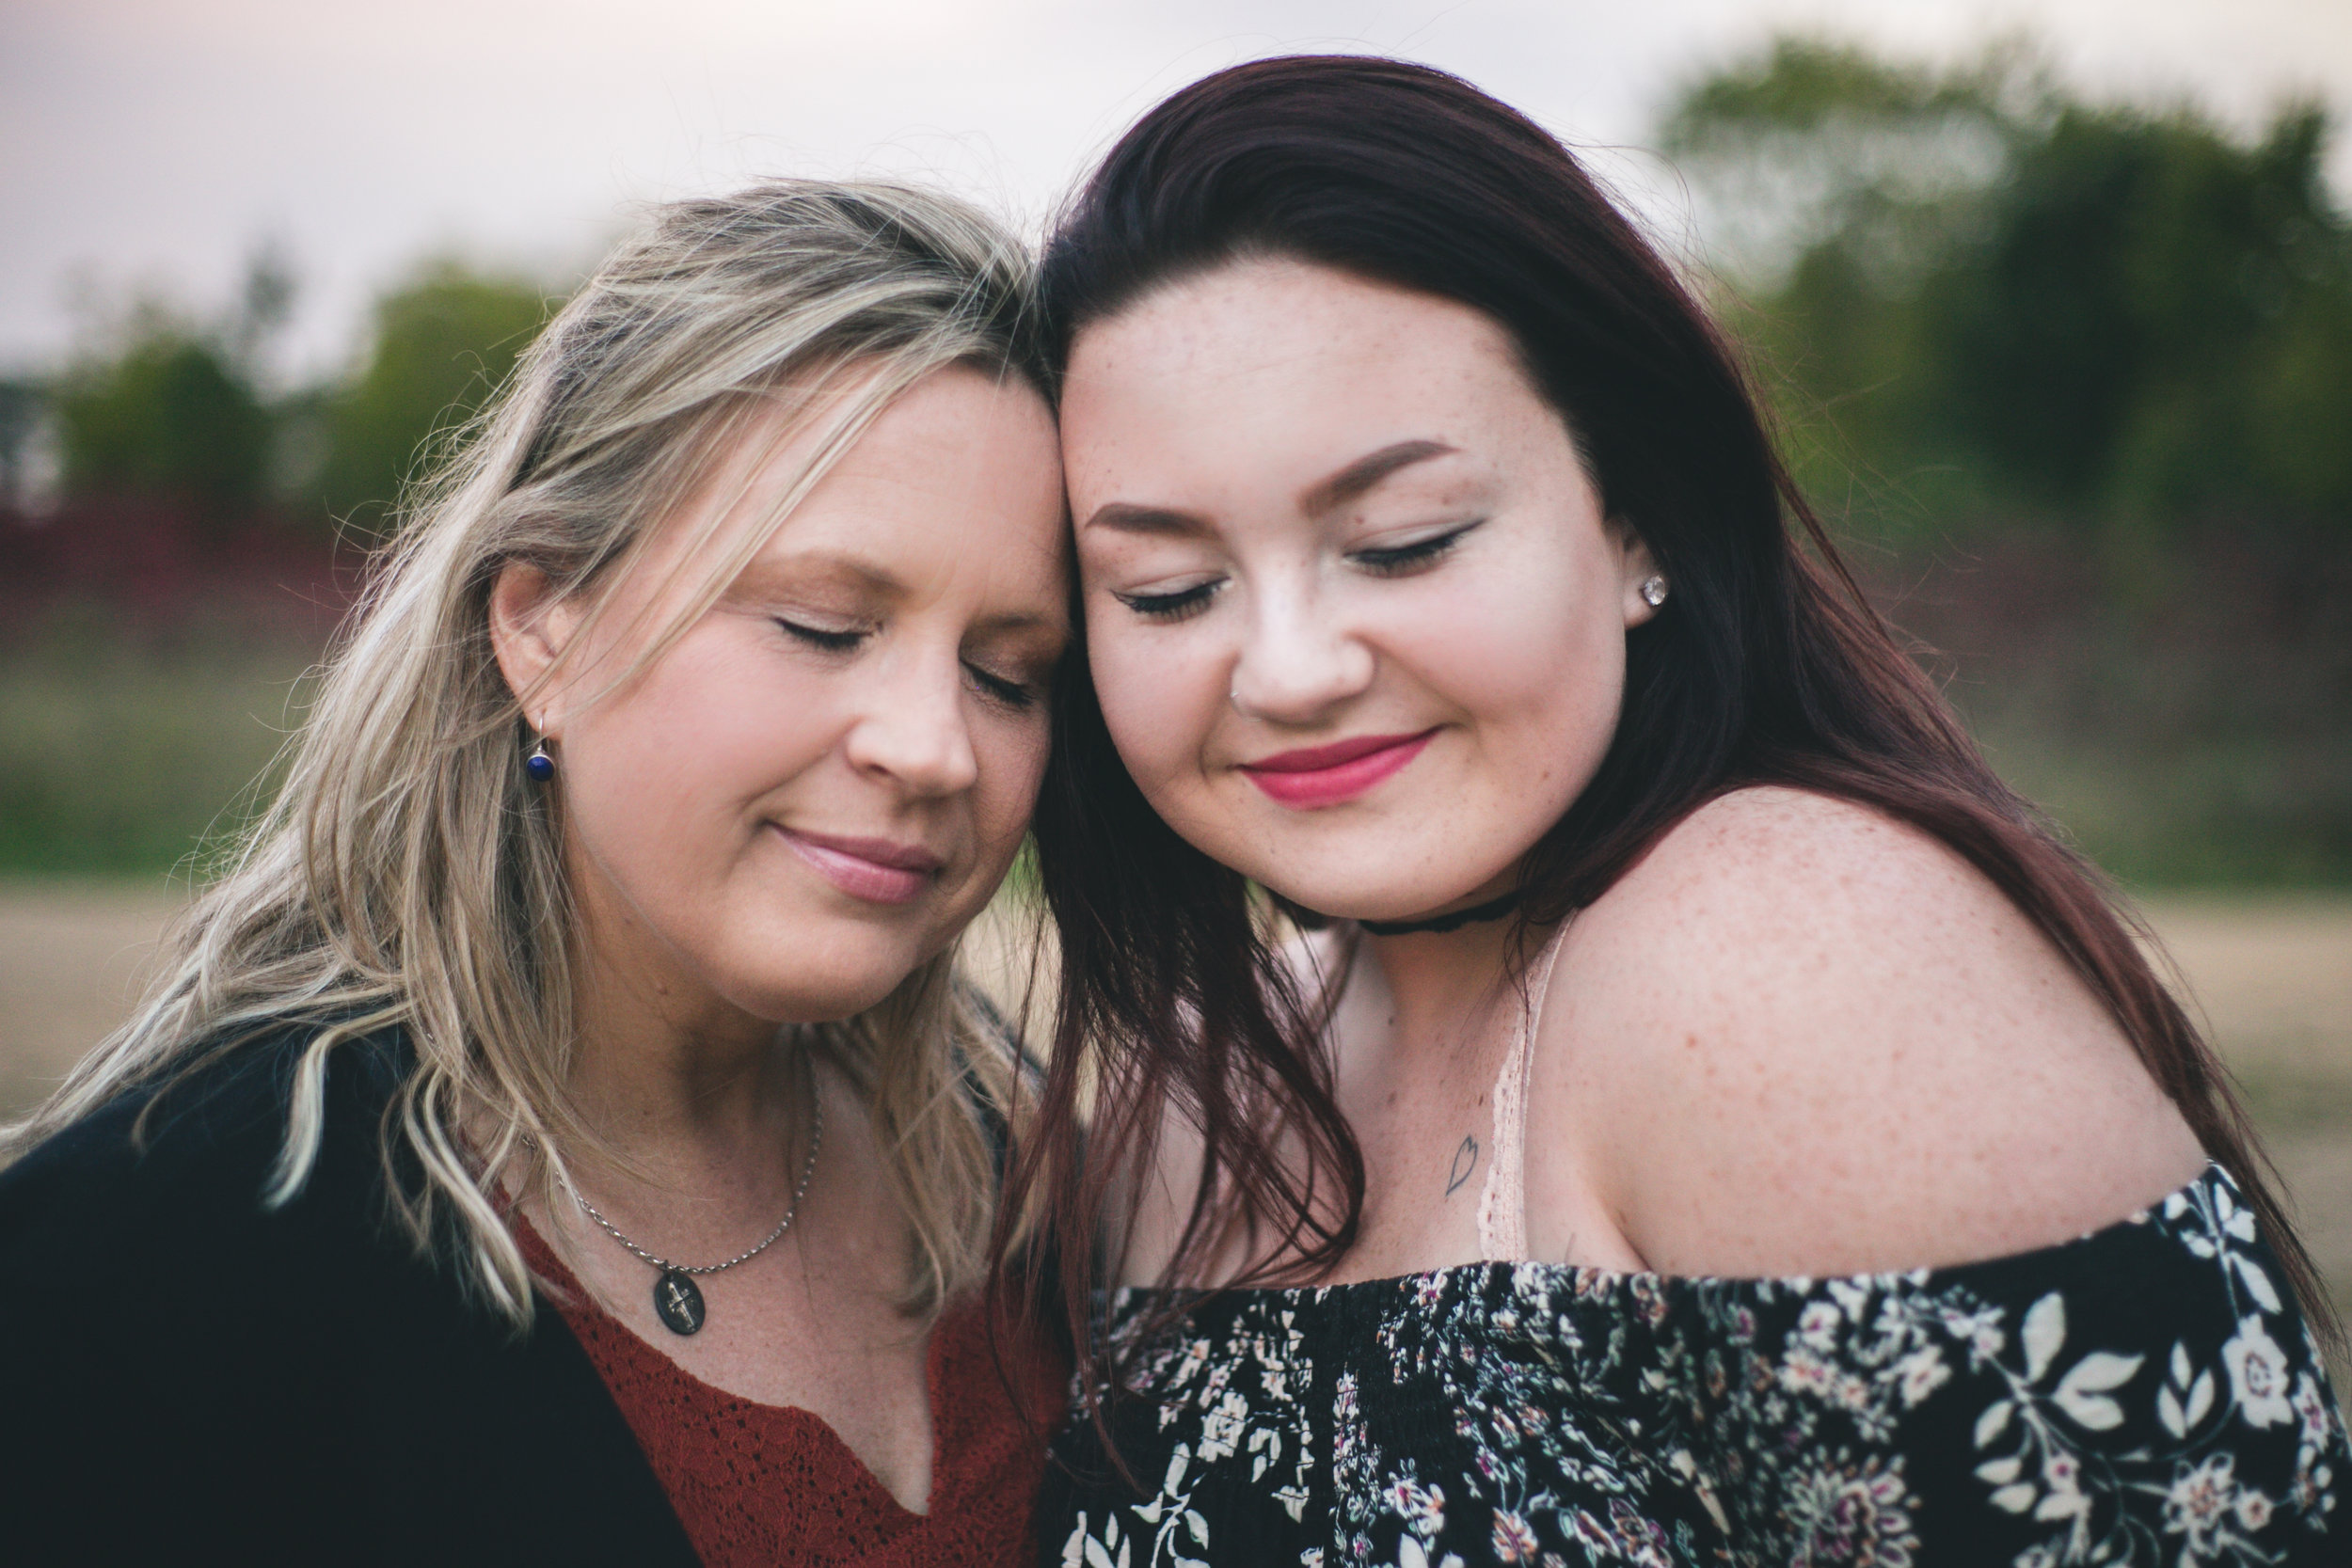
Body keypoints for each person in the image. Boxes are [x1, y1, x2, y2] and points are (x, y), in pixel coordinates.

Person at [1009, 56, 2351, 1566]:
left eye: (1402, 542)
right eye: (1168, 589)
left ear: (1635, 512)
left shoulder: (1780, 958)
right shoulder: (1194, 1089)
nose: (1292, 669)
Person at [0, 182, 1071, 1566]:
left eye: (1011, 672)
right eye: (821, 626)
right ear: (543, 627)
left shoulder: (1021, 1176)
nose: (937, 749)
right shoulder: (160, 1255)